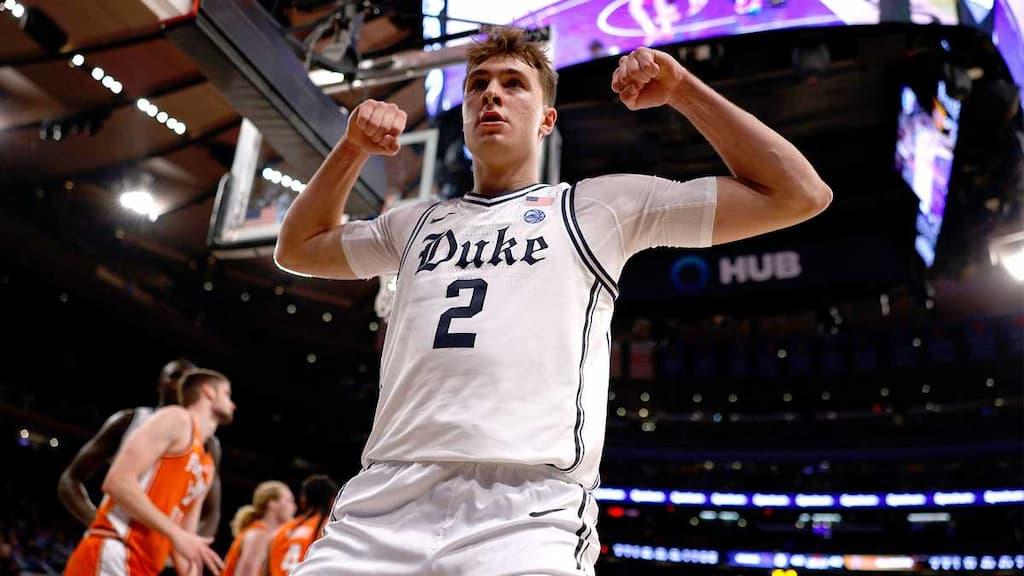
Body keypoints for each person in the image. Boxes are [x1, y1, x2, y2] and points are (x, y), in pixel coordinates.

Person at [274, 25, 831, 575]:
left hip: (526, 512)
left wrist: (684, 89)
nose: (491, 93)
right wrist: (351, 149)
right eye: (478, 85)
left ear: (547, 121)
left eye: (514, 83)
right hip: (383, 502)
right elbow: (298, 249)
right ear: (464, 117)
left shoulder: (599, 208)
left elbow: (799, 194)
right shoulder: (415, 223)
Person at [64, 369, 235, 576]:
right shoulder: (177, 419)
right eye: (227, 394)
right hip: (116, 548)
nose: (232, 404)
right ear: (208, 391)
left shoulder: (207, 463)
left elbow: (187, 540)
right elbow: (117, 481)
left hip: (147, 565)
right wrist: (177, 535)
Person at [265, 475, 338, 576]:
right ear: (332, 500)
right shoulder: (328, 528)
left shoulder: (281, 530)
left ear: (304, 499)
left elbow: (265, 569)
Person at [220, 482, 295, 576]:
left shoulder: (265, 535)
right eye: (289, 500)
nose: (294, 507)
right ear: (272, 503)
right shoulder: (259, 535)